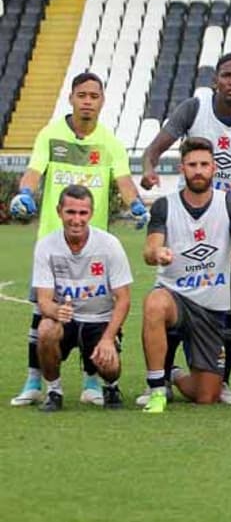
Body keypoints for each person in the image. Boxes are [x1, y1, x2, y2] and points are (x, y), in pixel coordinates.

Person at [139, 52, 231, 406]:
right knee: (174, 289)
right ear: (215, 80)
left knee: (229, 296)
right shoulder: (193, 108)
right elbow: (154, 149)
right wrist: (148, 168)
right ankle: (161, 379)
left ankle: (224, 380)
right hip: (189, 216)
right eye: (227, 75)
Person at [10, 72, 148, 408]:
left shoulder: (109, 142)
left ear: (101, 101)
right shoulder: (51, 135)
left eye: (94, 96)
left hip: (93, 242)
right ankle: (34, 381)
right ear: (71, 98)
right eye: (81, 95)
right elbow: (34, 171)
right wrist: (25, 193)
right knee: (43, 315)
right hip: (54, 240)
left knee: (93, 311)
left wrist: (138, 205)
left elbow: (125, 180)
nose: (87, 101)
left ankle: (91, 382)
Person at [139, 137, 231, 413]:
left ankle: (175, 373)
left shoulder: (230, 204)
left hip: (210, 306)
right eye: (192, 165)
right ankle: (156, 388)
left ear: (214, 168)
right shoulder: (164, 206)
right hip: (175, 297)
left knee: (206, 396)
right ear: (182, 169)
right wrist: (158, 253)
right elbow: (149, 248)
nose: (198, 170)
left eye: (204, 164)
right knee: (154, 303)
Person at [33, 185, 133, 411]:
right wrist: (55, 311)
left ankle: (111, 386)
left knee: (110, 366)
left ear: (91, 213)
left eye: (82, 213)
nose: (76, 219)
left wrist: (108, 338)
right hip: (66, 320)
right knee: (46, 330)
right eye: (70, 212)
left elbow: (124, 299)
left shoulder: (109, 245)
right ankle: (54, 391)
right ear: (59, 211)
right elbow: (44, 300)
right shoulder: (46, 246)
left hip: (100, 319)